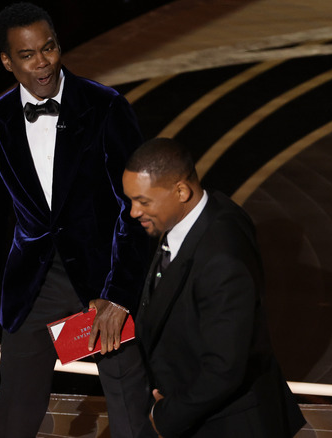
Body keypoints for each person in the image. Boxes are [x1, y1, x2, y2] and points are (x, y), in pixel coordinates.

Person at [0, 2, 154, 438]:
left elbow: (135, 207)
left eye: (48, 48)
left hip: (103, 282)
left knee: (129, 407)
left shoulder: (105, 105)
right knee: (14, 411)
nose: (42, 62)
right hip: (33, 285)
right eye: (27, 55)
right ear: (7, 62)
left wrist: (119, 294)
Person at [122, 137, 306, 438]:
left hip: (226, 425)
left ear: (181, 191)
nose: (133, 211)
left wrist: (165, 416)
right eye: (131, 200)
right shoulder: (201, 215)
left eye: (143, 201)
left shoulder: (222, 259)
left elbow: (224, 367)